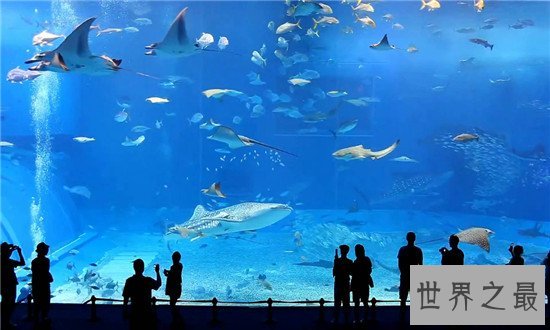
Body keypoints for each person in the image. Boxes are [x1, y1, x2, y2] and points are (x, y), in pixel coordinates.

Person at [123, 259, 162, 330]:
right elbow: (158, 284)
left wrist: (125, 310)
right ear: (143, 268)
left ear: (134, 268)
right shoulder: (147, 280)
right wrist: (157, 272)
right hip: (146, 312)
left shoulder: (129, 281)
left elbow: (125, 298)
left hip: (134, 312)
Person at [1, 242, 25, 329]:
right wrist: (19, 252)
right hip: (10, 284)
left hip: (2, 285)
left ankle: (4, 322)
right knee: (10, 304)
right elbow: (22, 263)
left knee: (4, 303)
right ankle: (6, 323)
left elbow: (5, 252)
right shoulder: (9, 262)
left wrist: (11, 248)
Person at [397, 232, 423, 309]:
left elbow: (400, 264)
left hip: (404, 276)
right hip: (414, 277)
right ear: (415, 239)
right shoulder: (418, 250)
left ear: (406, 238)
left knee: (403, 300)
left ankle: (402, 318)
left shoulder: (402, 249)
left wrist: (403, 273)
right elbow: (420, 265)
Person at [31, 242, 54, 324]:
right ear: (41, 250)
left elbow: (35, 273)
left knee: (37, 303)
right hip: (44, 285)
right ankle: (44, 317)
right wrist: (50, 278)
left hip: (36, 285)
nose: (47, 251)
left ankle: (36, 320)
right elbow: (45, 272)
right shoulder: (46, 260)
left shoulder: (34, 261)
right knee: (45, 302)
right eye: (46, 249)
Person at [351, 244, 373, 324]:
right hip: (364, 284)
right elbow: (369, 271)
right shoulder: (366, 259)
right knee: (365, 302)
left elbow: (353, 274)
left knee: (357, 303)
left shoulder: (356, 262)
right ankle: (365, 319)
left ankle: (357, 319)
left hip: (357, 285)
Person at [332, 244, 353, 324]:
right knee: (346, 303)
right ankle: (347, 320)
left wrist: (336, 263)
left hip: (338, 284)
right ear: (347, 252)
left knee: (337, 303)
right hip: (346, 284)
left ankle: (336, 319)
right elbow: (351, 273)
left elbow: (334, 273)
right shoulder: (350, 262)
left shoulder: (337, 261)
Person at [164, 251, 183, 322]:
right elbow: (173, 274)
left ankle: (176, 317)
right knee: (172, 302)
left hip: (174, 287)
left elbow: (174, 274)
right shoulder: (177, 266)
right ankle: (176, 317)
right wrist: (167, 273)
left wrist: (168, 272)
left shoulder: (178, 266)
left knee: (172, 302)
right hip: (174, 287)